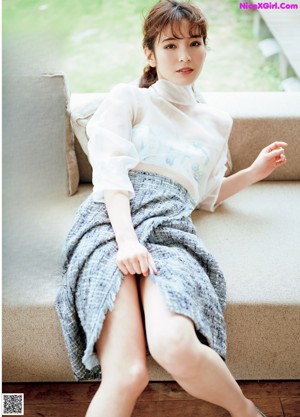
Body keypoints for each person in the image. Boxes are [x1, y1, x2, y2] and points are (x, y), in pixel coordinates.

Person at [55, 1, 287, 416]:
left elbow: (205, 195)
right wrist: (127, 241)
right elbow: (110, 174)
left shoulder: (217, 122)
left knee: (175, 343)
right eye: (171, 45)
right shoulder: (129, 99)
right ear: (150, 53)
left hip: (169, 230)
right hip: (111, 224)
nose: (185, 56)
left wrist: (254, 172)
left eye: (195, 43)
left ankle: (247, 411)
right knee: (127, 374)